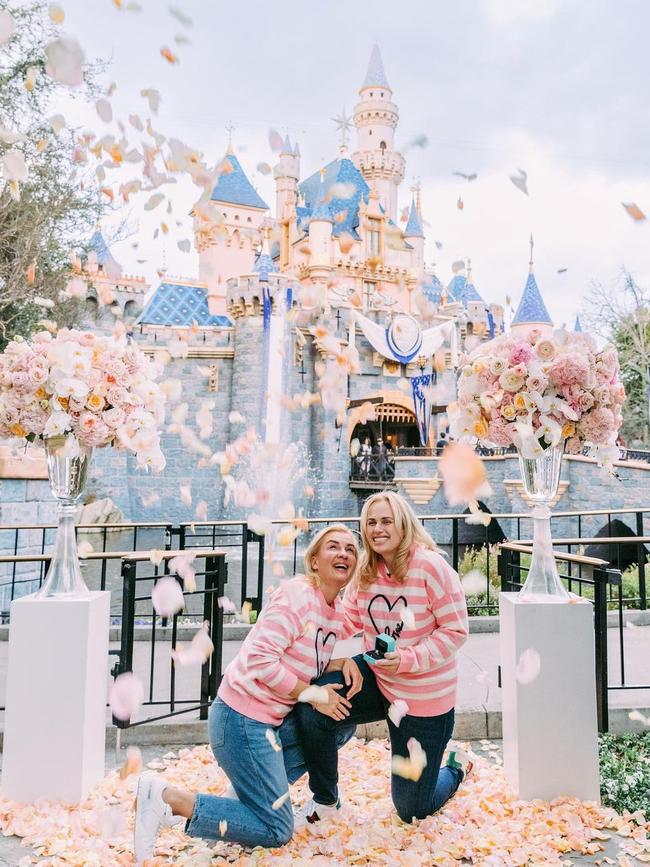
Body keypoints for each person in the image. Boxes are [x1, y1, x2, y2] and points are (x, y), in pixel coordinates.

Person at [133, 525, 361, 864]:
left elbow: (302, 654)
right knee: (277, 830)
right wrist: (314, 693)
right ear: (313, 561)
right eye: (333, 547)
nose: (343, 553)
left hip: (269, 724)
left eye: (350, 549)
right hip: (241, 720)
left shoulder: (332, 609)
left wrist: (343, 661)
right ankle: (168, 798)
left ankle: (243, 799)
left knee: (341, 722)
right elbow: (260, 660)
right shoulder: (297, 596)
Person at [295, 492, 472, 825]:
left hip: (423, 703)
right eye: (371, 522)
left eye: (386, 521)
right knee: (313, 702)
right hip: (377, 682)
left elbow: (456, 631)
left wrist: (406, 659)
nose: (377, 529)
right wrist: (303, 610)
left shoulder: (430, 567)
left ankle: (456, 768)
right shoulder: (366, 570)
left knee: (412, 810)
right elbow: (346, 620)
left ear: (403, 524)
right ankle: (326, 801)